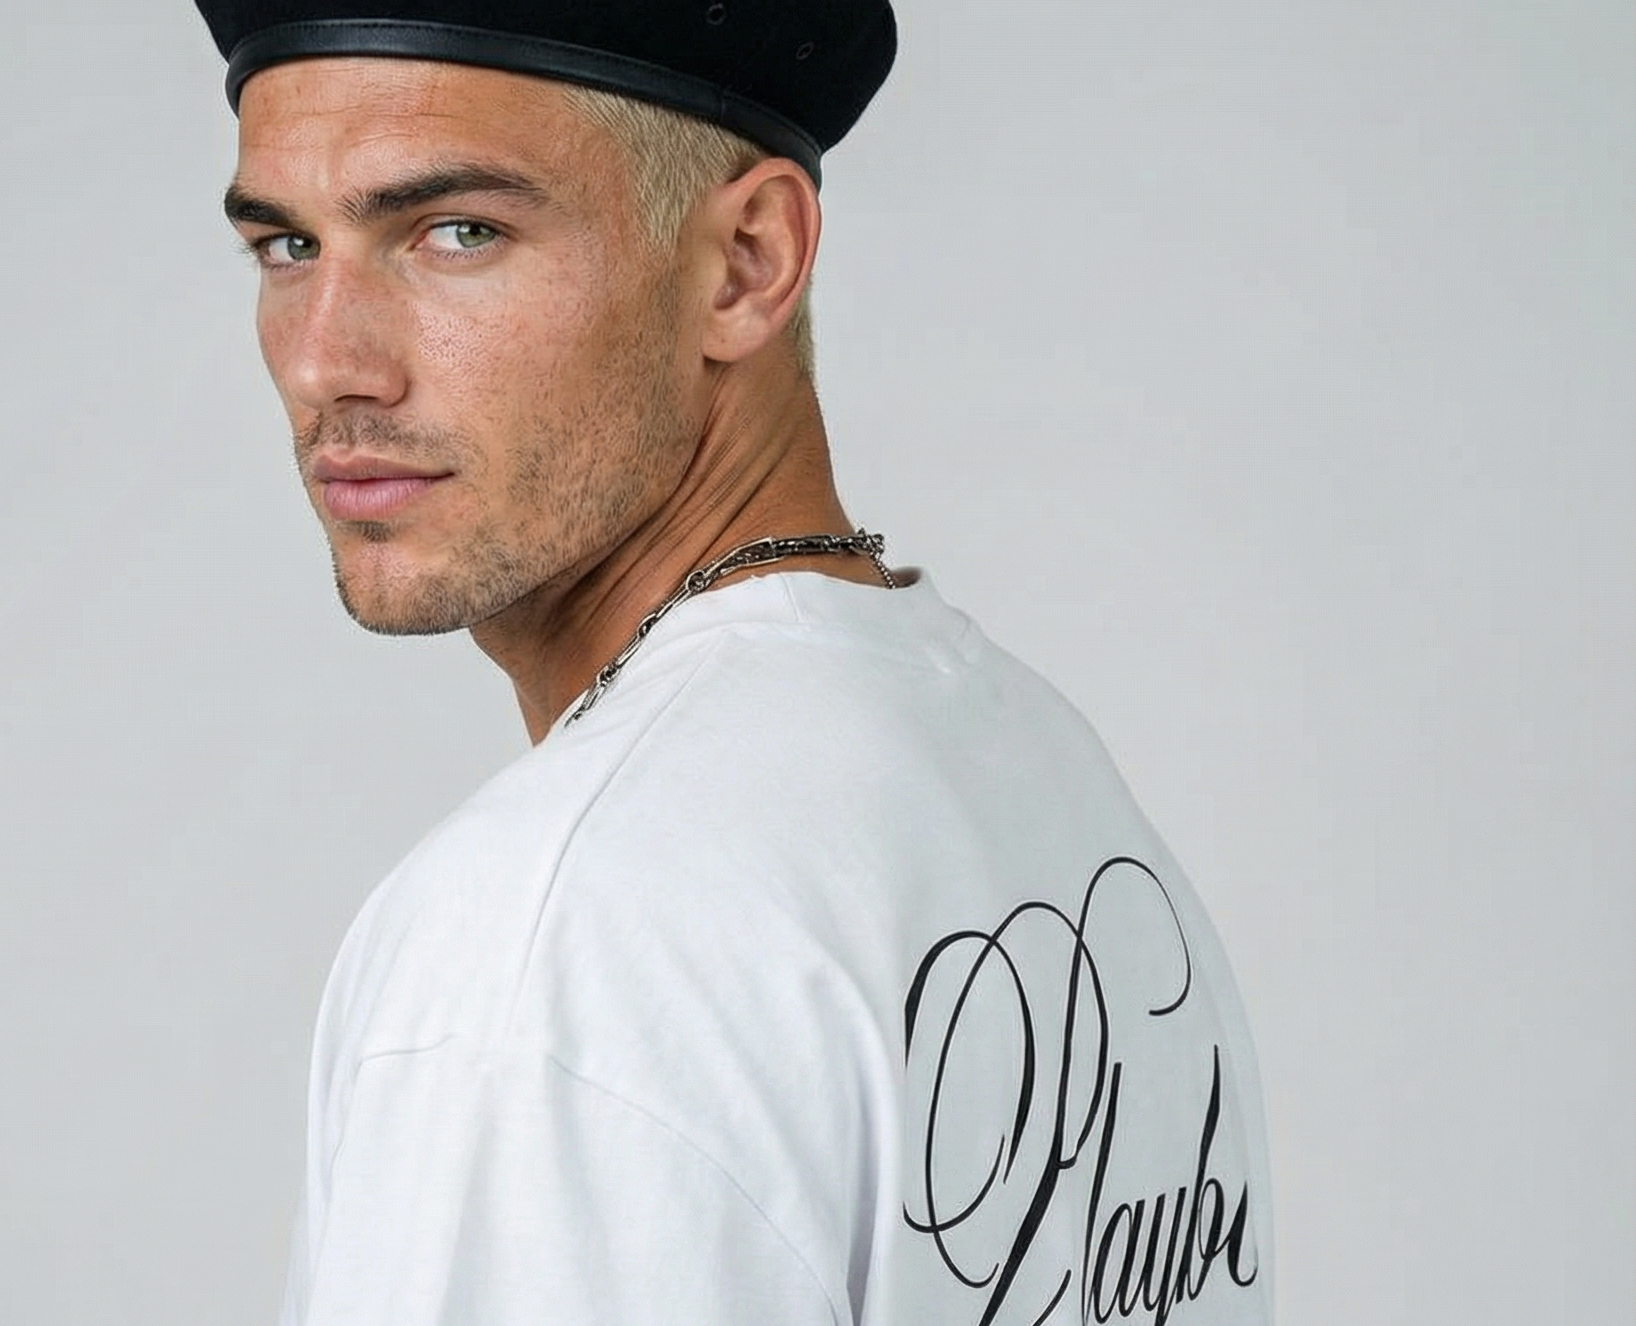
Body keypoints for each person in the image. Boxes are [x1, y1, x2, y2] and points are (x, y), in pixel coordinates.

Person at [194, 3, 1275, 1323]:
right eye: (287, 245)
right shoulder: (1032, 772)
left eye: (456, 232)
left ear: (747, 264)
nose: (326, 362)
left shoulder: (560, 939)